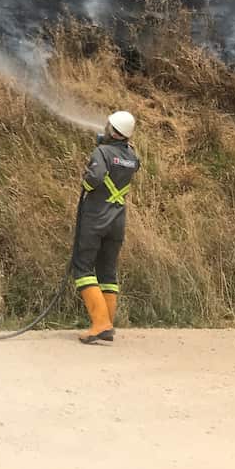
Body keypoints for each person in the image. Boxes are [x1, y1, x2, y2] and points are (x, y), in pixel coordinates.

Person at [73, 111, 140, 345]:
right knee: (108, 273)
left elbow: (95, 177)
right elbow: (128, 163)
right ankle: (107, 324)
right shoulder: (132, 156)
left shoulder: (101, 152)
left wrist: (86, 181)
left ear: (113, 131)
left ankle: (100, 324)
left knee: (82, 268)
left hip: (96, 218)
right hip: (117, 221)